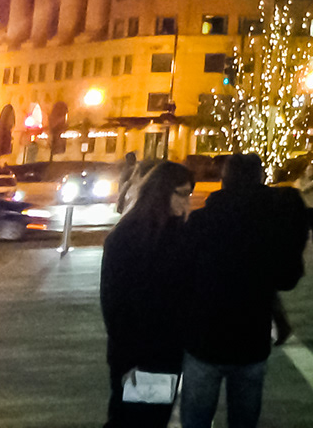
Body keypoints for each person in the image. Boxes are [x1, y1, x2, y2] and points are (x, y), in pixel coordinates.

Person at [178, 153, 305, 428]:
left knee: (196, 419)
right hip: (251, 338)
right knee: (244, 420)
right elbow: (288, 278)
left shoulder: (201, 221)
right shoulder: (273, 223)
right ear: (260, 179)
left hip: (204, 337)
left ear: (224, 181)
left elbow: (181, 276)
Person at [99, 160, 195, 427]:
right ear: (162, 192)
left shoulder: (180, 235)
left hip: (165, 350)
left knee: (150, 415)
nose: (187, 201)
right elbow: (114, 303)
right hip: (140, 352)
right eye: (182, 193)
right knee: (134, 416)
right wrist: (128, 355)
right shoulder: (127, 237)